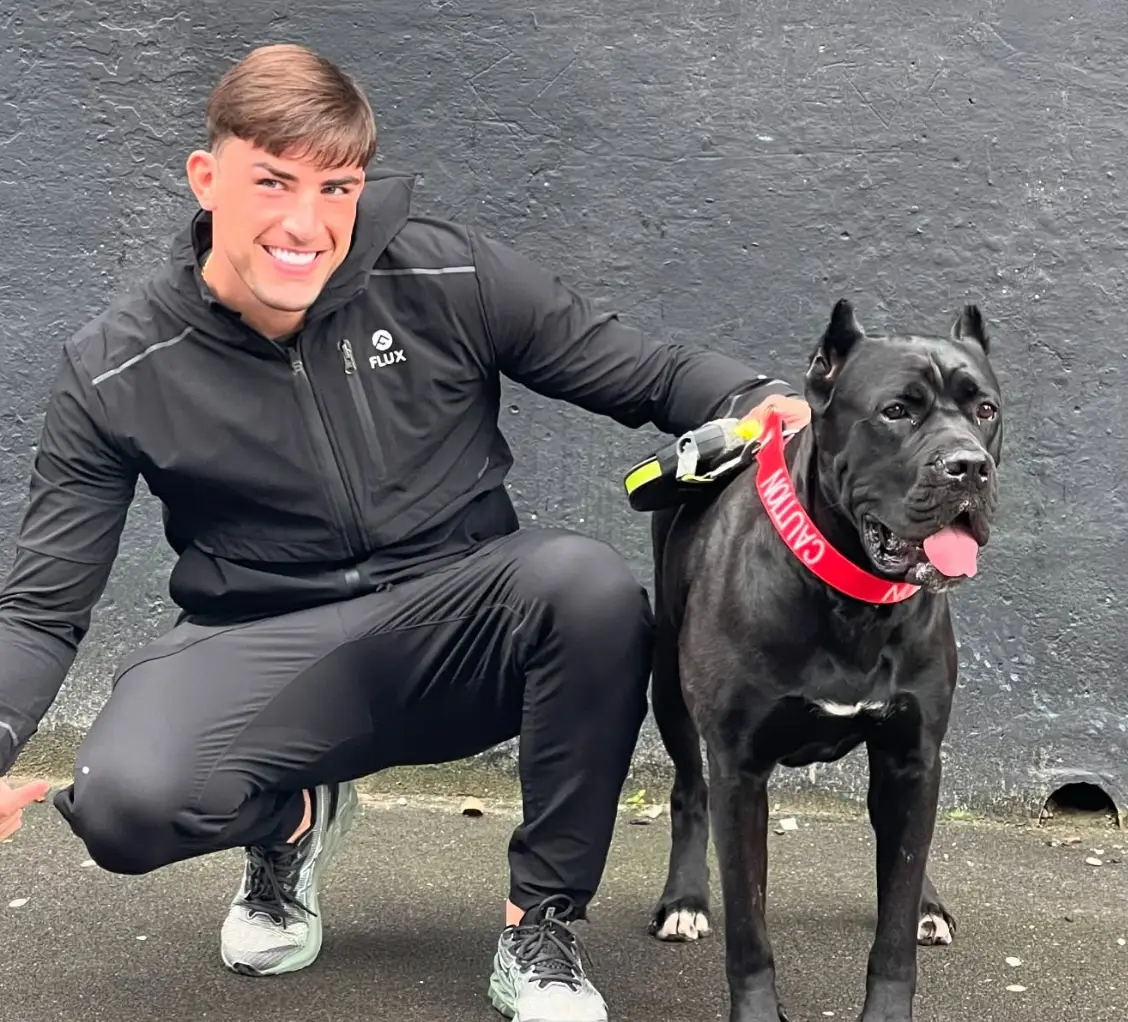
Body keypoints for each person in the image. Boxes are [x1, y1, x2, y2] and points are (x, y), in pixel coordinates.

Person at [0, 43, 810, 1021]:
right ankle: (293, 817)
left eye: (336, 186)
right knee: (121, 801)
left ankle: (538, 926)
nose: (307, 223)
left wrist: (759, 398)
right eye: (272, 182)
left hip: (457, 626)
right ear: (206, 180)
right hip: (267, 645)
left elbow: (643, 369)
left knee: (590, 589)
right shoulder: (116, 365)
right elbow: (41, 609)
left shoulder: (445, 270)